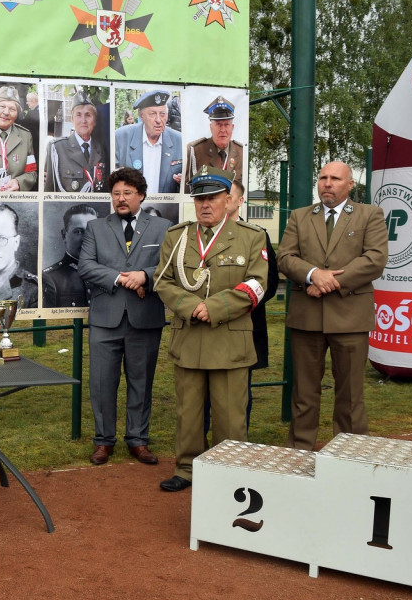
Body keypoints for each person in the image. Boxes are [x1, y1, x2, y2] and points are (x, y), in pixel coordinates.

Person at [153, 167, 268, 491]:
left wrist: (215, 308)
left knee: (230, 415)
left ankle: (228, 471)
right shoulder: (178, 236)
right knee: (187, 412)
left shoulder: (250, 236)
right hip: (189, 336)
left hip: (230, 340)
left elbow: (258, 284)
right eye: (199, 198)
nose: (205, 204)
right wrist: (192, 308)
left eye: (212, 198)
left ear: (228, 200)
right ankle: (186, 468)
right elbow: (164, 282)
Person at [276, 161, 388, 450]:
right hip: (306, 319)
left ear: (350, 184)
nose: (327, 183)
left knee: (350, 395)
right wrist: (314, 274)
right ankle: (300, 453)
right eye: (323, 177)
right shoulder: (300, 217)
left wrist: (329, 281)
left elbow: (374, 259)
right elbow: (286, 258)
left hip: (350, 318)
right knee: (303, 393)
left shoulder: (370, 215)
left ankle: (349, 456)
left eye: (335, 178)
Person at [78, 168, 171, 465]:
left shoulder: (163, 227)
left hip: (145, 319)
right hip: (106, 320)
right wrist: (122, 278)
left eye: (127, 193)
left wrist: (145, 276)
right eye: (116, 193)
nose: (121, 199)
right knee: (102, 383)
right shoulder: (96, 227)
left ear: (141, 195)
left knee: (141, 383)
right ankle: (103, 441)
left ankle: (138, 440)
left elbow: (169, 267)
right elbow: (86, 266)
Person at [203, 180, 279, 440]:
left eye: (226, 196)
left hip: (242, 325)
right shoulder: (195, 235)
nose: (218, 201)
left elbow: (267, 283)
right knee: (198, 397)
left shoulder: (256, 234)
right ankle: (197, 455)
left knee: (237, 394)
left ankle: (233, 452)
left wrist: (231, 307)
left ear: (237, 201)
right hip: (201, 325)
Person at [114, 90, 183, 194]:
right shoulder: (121, 137)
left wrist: (183, 182)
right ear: (141, 116)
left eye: (163, 114)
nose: (159, 120)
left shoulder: (179, 140)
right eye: (153, 114)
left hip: (165, 208)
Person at [45, 93, 106, 193]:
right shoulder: (56, 148)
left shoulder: (101, 149)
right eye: (78, 115)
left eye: (88, 115)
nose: (83, 120)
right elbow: (49, 190)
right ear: (72, 119)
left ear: (94, 121)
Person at [42, 203, 99, 308]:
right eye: (78, 232)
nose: (86, 239)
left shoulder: (108, 272)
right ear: (64, 235)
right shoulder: (50, 278)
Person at [184, 96, 244, 192]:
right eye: (219, 124)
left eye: (227, 124)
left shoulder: (241, 152)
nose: (223, 130)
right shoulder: (195, 150)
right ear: (211, 127)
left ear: (232, 127)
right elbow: (187, 190)